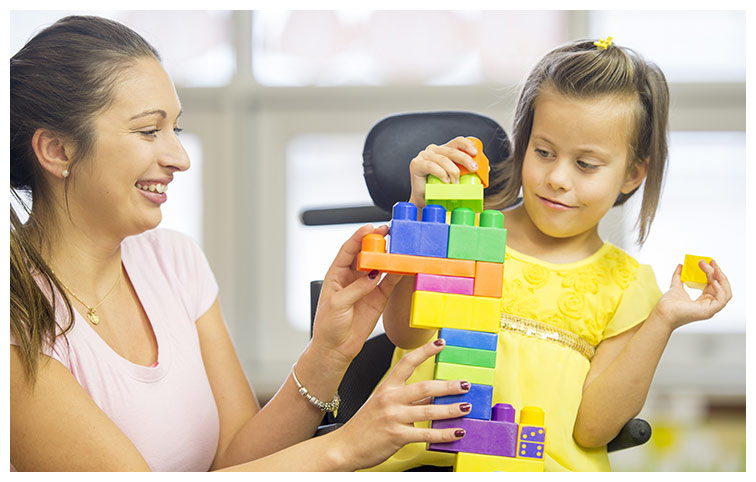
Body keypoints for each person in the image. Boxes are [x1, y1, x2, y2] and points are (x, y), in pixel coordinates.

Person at [9, 15, 474, 471]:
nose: (180, 158)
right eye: (149, 130)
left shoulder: (174, 262)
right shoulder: (15, 322)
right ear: (57, 150)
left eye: (177, 129)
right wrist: (347, 446)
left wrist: (329, 354)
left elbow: (239, 460)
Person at [367, 39, 733, 471]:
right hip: (424, 463)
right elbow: (404, 334)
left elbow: (593, 429)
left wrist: (663, 320)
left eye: (586, 164)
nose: (558, 178)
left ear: (633, 173)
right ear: (524, 143)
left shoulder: (628, 284)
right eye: (544, 153)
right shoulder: (458, 231)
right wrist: (425, 215)